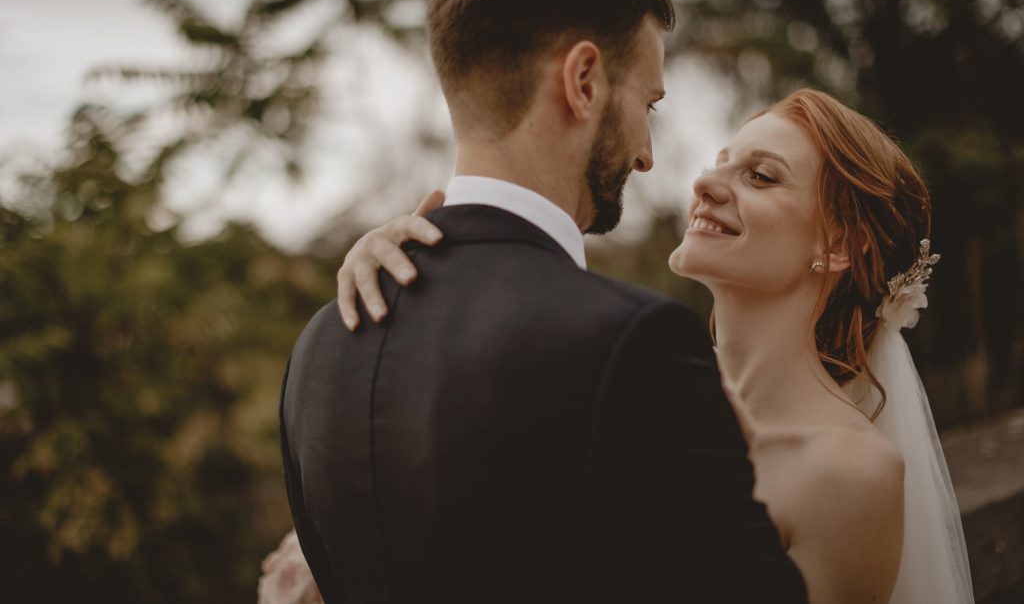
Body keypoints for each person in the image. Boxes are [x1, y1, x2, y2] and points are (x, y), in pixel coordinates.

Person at [279, 0, 808, 602]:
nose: (647, 154)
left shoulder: (321, 349)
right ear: (584, 80)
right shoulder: (635, 344)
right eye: (648, 103)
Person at [338, 90, 976, 603]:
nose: (707, 184)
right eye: (719, 161)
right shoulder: (625, 390)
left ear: (838, 247)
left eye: (761, 176)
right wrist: (416, 282)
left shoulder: (849, 473)